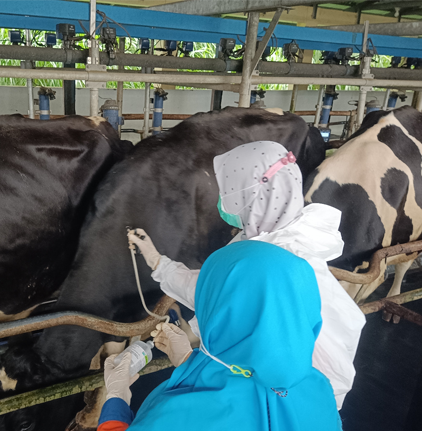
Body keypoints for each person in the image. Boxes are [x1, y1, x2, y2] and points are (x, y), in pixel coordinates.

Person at [128, 141, 365, 409]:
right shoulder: (293, 237)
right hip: (310, 395)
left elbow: (212, 291)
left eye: (228, 191)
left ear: (253, 195)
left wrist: (158, 265)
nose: (222, 200)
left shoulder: (261, 260)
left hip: (278, 402)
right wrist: (157, 260)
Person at [93, 242, 344, 431]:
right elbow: (248, 390)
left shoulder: (177, 429)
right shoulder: (320, 390)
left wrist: (116, 398)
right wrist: (189, 362)